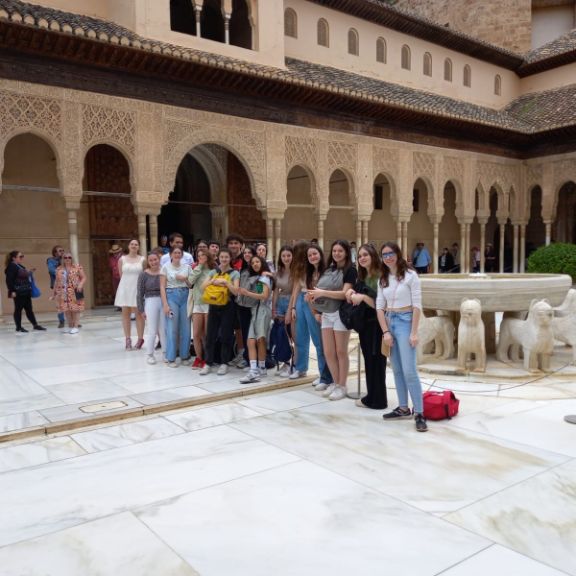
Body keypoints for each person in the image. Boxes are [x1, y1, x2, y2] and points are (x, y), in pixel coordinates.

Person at [376, 242, 427, 432]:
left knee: (409, 370)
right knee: (396, 369)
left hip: (406, 321)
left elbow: (417, 306)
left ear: (397, 254)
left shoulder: (411, 276)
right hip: (390, 321)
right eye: (384, 254)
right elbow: (379, 307)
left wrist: (414, 332)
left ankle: (419, 412)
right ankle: (403, 408)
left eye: (390, 253)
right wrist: (385, 332)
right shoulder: (383, 278)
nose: (387, 257)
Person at [308, 239, 357, 401]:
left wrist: (322, 293)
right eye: (334, 251)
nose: (337, 254)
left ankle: (342, 385)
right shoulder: (329, 269)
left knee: (340, 351)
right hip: (326, 313)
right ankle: (336, 383)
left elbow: (345, 294)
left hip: (340, 313)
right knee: (328, 352)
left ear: (346, 253)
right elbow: (322, 289)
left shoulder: (351, 270)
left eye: (340, 251)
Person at [346, 243, 388, 409]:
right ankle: (372, 396)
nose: (362, 258)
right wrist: (352, 293)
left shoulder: (378, 276)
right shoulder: (365, 276)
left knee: (376, 361)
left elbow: (380, 304)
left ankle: (378, 400)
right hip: (366, 324)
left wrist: (362, 297)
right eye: (360, 255)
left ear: (373, 256)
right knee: (370, 361)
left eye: (366, 255)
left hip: (376, 325)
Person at [289, 242, 330, 385]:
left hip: (314, 301)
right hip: (301, 299)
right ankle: (301, 368)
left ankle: (323, 373)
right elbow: (297, 287)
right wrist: (293, 307)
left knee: (318, 338)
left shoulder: (321, 269)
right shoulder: (302, 268)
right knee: (300, 336)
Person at [200, 248, 241, 376]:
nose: (224, 259)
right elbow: (202, 287)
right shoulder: (213, 272)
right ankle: (208, 362)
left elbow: (235, 291)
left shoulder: (235, 273)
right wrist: (213, 281)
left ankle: (224, 363)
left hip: (228, 307)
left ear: (230, 259)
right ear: (218, 258)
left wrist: (225, 282)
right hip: (213, 305)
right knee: (210, 334)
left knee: (226, 335)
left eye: (226, 257)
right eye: (222, 257)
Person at [239, 255, 273, 383]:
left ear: (262, 262)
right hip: (256, 310)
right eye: (253, 263)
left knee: (259, 340)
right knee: (252, 341)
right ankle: (256, 369)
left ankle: (259, 369)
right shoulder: (260, 278)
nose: (255, 264)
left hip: (262, 311)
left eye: (257, 261)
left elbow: (264, 296)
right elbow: (259, 295)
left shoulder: (264, 277)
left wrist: (247, 293)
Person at [160, 246, 193, 367]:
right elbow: (162, 287)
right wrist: (165, 304)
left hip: (185, 296)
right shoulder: (165, 267)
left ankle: (185, 355)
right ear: (171, 254)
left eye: (179, 253)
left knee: (186, 327)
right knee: (172, 328)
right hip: (171, 295)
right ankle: (171, 357)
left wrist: (185, 279)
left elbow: (191, 285)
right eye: (175, 252)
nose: (177, 255)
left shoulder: (187, 267)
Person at [114, 239, 145, 350]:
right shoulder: (122, 259)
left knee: (139, 315)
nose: (134, 246)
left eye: (136, 244)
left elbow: (144, 275)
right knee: (125, 314)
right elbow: (121, 275)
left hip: (137, 289)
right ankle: (127, 339)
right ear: (128, 246)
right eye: (132, 244)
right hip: (125, 288)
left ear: (139, 247)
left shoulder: (142, 260)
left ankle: (140, 339)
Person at [188, 247, 217, 369]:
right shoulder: (196, 268)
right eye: (198, 256)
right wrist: (199, 266)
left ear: (208, 256)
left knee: (206, 334)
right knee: (196, 334)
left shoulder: (213, 269)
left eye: (203, 255)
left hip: (208, 303)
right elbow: (190, 281)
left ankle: (207, 357)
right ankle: (198, 358)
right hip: (197, 304)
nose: (200, 257)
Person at [4, 250, 46, 333]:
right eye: (20, 256)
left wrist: (30, 272)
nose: (22, 258)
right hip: (18, 292)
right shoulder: (11, 267)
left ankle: (35, 325)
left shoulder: (18, 266)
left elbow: (22, 275)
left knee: (29, 309)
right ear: (13, 258)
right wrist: (12, 291)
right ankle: (18, 327)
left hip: (26, 291)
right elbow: (9, 280)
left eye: (22, 256)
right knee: (18, 309)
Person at [137, 252, 164, 364]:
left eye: (155, 259)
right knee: (152, 329)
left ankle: (166, 353)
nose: (154, 262)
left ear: (159, 259)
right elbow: (139, 293)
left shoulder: (164, 271)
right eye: (151, 260)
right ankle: (150, 354)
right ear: (148, 262)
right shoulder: (143, 274)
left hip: (163, 301)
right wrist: (141, 309)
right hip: (150, 301)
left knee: (163, 329)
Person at [272, 245, 294, 377]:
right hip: (280, 303)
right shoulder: (277, 272)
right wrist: (273, 308)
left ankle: (292, 363)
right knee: (281, 334)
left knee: (290, 333)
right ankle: (285, 361)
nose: (286, 258)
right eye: (283, 256)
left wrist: (291, 308)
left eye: (288, 255)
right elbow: (275, 291)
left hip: (291, 303)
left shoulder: (296, 272)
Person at [51, 251, 86, 334]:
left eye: (69, 257)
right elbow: (56, 281)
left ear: (72, 258)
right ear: (62, 259)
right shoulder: (59, 269)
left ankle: (76, 326)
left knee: (75, 309)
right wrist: (54, 293)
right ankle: (70, 326)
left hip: (75, 291)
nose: (67, 259)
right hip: (63, 292)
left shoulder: (77, 267)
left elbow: (84, 277)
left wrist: (80, 284)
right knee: (66, 310)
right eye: (65, 257)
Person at [47, 245, 65, 328]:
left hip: (67, 284)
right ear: (55, 252)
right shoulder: (50, 260)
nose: (62, 252)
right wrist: (62, 273)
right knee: (59, 304)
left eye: (62, 250)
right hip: (57, 284)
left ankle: (73, 320)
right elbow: (51, 270)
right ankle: (61, 321)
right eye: (60, 251)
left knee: (70, 302)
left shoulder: (66, 259)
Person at [108, 244, 123, 308]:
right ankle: (119, 306)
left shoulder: (124, 257)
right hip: (115, 277)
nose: (115, 253)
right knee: (116, 291)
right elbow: (111, 267)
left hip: (123, 277)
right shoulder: (111, 259)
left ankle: (124, 306)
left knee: (123, 291)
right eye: (114, 252)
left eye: (116, 252)